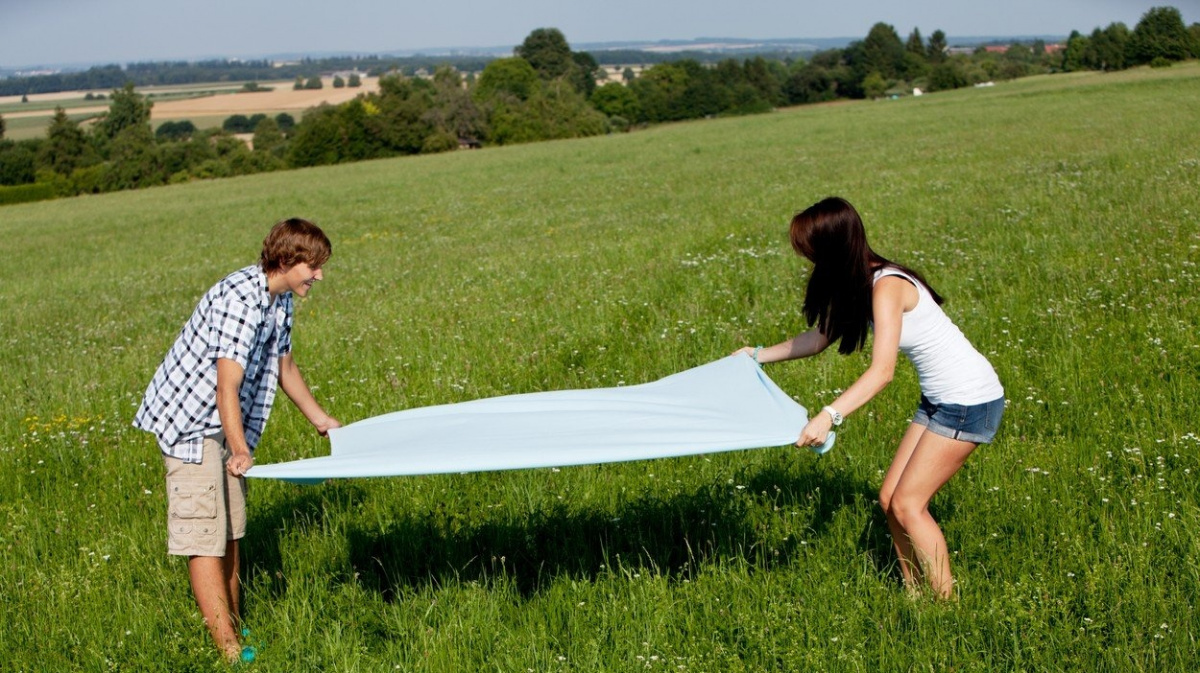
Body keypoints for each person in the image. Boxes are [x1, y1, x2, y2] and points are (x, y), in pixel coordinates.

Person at [736, 197, 1004, 598]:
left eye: (809, 251)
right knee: (889, 499)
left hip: (969, 401)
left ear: (831, 248)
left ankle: (948, 607)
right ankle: (915, 595)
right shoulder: (858, 283)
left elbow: (883, 372)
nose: (806, 259)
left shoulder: (887, 287)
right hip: (941, 398)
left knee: (909, 505)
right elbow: (817, 339)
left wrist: (829, 415)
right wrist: (756, 355)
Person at [134, 218, 341, 661]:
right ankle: (228, 651)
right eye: (313, 266)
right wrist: (241, 446)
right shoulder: (240, 300)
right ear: (286, 260)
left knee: (230, 531)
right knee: (204, 535)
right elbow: (224, 384)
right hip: (191, 423)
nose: (320, 275)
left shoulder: (281, 298)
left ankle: (238, 630)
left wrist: (323, 421)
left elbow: (284, 366)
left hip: (225, 422)